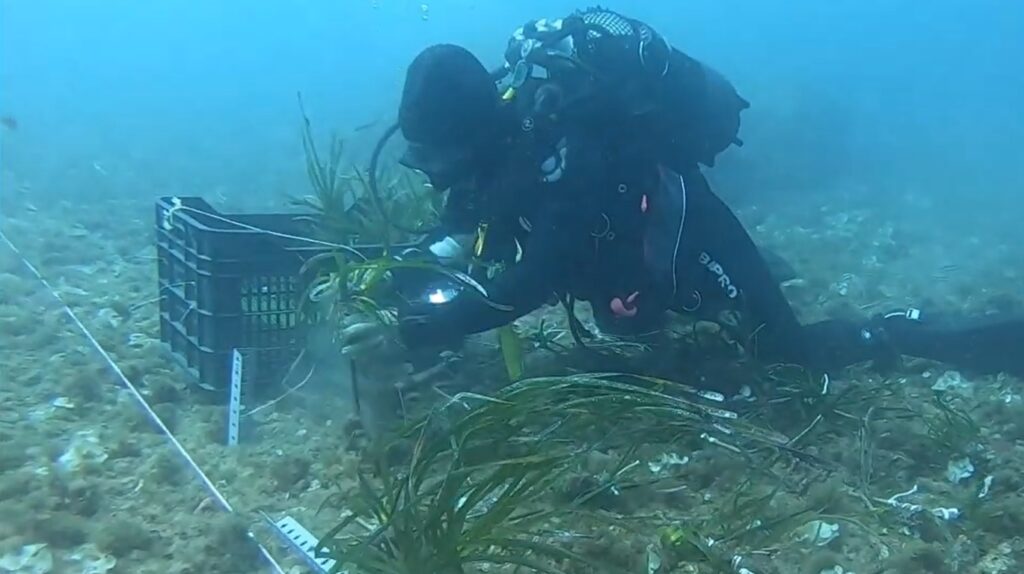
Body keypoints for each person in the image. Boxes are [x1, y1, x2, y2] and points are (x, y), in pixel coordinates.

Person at [341, 7, 1023, 382]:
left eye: (438, 156)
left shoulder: (564, 149)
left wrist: (417, 329)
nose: (432, 174)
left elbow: (533, 276)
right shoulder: (499, 148)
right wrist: (389, 282)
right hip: (627, 256)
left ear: (474, 133)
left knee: (791, 359)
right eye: (420, 158)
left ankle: (924, 332)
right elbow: (461, 227)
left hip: (689, 227)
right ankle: (740, 287)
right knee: (631, 319)